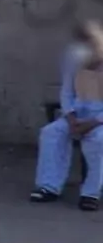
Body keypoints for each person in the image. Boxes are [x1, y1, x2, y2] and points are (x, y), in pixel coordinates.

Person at [32, 20, 103, 211]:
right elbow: (67, 91)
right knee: (51, 133)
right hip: (77, 113)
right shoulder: (74, 58)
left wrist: (93, 123)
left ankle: (91, 193)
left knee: (98, 141)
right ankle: (48, 186)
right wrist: (71, 117)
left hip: (99, 119)